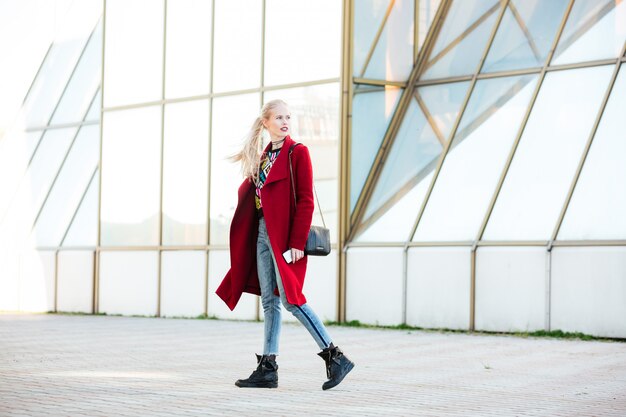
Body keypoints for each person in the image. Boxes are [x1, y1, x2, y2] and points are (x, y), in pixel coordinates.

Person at [216, 99, 354, 390]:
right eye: (278, 117)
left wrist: (296, 242)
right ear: (265, 122)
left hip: (285, 236)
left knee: (292, 299)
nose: (285, 121)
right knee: (270, 302)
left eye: (288, 116)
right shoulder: (265, 156)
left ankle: (335, 356)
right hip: (262, 232)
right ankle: (268, 367)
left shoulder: (297, 152)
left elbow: (305, 200)